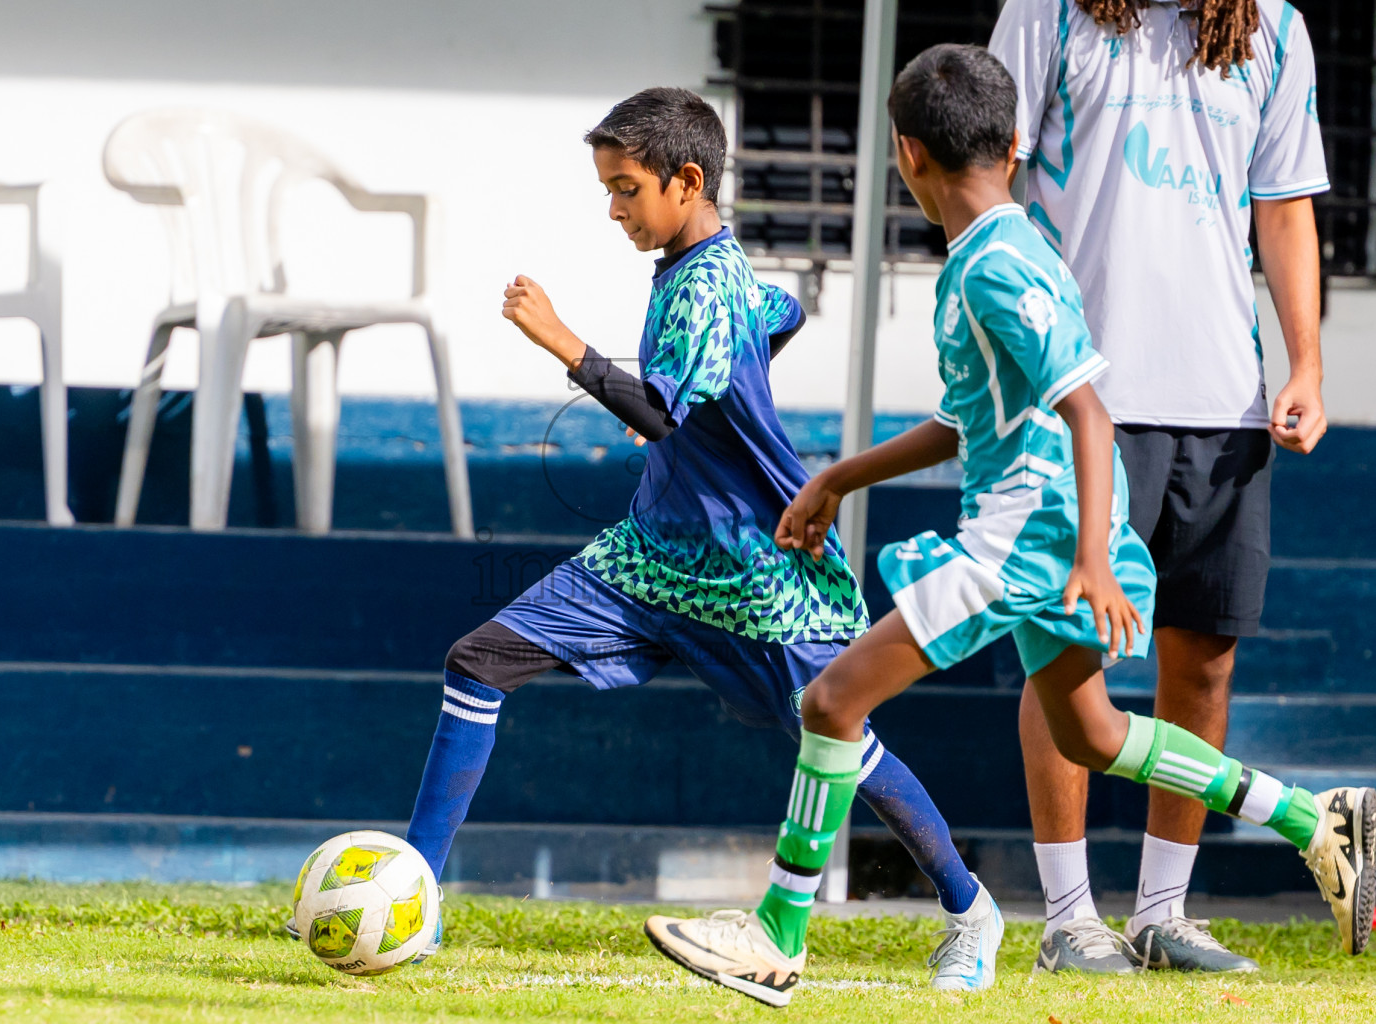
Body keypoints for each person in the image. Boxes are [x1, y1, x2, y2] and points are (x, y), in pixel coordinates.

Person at [643, 44, 1376, 1009]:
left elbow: (1089, 409)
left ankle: (778, 934)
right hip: (1047, 530)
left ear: (905, 155)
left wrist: (1090, 559)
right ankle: (1311, 819)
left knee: (830, 702)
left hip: (1021, 537)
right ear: (1018, 141)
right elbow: (971, 418)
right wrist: (844, 477)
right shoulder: (1013, 244)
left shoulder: (991, 267)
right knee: (1095, 734)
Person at [401, 86, 1004, 990]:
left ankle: (971, 912)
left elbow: (658, 411)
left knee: (838, 734)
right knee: (478, 661)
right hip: (648, 558)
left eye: (626, 189)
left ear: (687, 181)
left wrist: (563, 341)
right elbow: (778, 319)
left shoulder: (709, 284)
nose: (613, 209)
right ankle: (413, 900)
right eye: (606, 189)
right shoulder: (714, 281)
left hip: (749, 571)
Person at [989, 0, 1336, 973]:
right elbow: (990, 179)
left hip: (1224, 398)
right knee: (1069, 660)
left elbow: (1284, 204)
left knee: (1205, 661)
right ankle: (1067, 917)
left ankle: (1161, 912)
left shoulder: (1272, 24)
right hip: (1076, 394)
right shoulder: (1048, 11)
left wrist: (1304, 362)